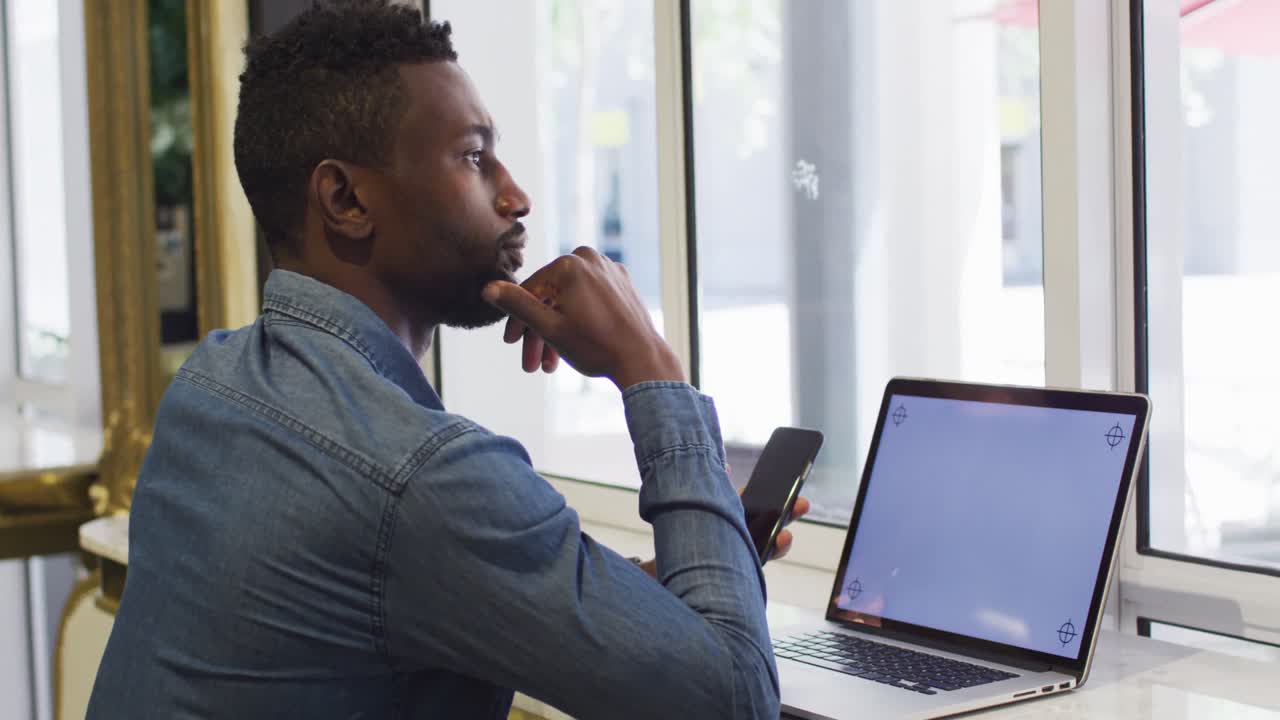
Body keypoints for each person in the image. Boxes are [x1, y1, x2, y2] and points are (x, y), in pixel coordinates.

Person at [87, 1, 806, 717]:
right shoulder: (420, 475)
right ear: (343, 198)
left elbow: (410, 575)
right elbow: (734, 702)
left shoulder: (210, 385)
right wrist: (651, 369)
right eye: (473, 156)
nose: (516, 196)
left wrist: (704, 559)